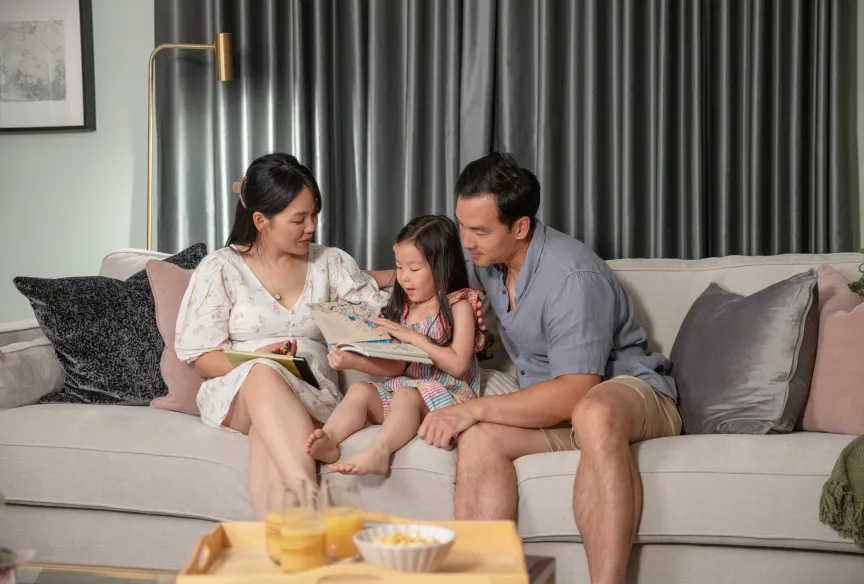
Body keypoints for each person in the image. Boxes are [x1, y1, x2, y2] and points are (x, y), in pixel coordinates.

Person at [416, 152, 681, 584]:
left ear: (519, 227)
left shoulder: (571, 277)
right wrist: (352, 277)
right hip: (558, 408)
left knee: (591, 413)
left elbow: (577, 389)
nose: (466, 240)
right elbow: (429, 274)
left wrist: (474, 408)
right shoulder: (489, 261)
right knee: (479, 440)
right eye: (462, 225)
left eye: (479, 230)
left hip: (627, 393)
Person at [174, 152, 391, 520]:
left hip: (311, 389)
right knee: (263, 372)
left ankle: (281, 551)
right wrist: (263, 357)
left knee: (266, 438)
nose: (312, 226)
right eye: (299, 219)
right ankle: (311, 503)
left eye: (314, 214)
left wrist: (440, 292)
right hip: (238, 391)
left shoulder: (330, 263)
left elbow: (382, 318)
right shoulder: (220, 269)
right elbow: (202, 359)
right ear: (261, 221)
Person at [304, 215, 487, 476]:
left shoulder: (460, 305)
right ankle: (329, 440)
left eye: (414, 269)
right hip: (408, 391)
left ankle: (379, 451)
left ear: (441, 266)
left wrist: (415, 338)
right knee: (359, 390)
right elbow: (397, 365)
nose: (404, 278)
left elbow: (458, 364)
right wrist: (353, 360)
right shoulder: (404, 309)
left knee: (405, 396)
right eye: (399, 268)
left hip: (449, 394)